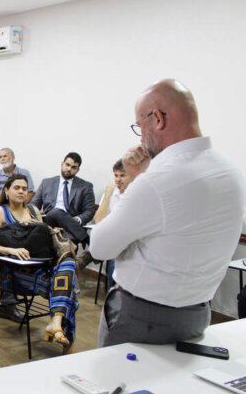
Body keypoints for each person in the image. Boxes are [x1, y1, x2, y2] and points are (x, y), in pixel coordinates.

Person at [90, 79, 245, 347]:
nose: (140, 137)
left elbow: (99, 247)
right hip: (197, 314)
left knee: (119, 374)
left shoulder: (157, 182)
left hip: (141, 318)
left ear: (158, 119)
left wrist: (136, 180)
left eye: (139, 126)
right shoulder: (231, 172)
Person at [0, 174, 80, 347]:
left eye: (24, 188)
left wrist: (41, 226)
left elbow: (42, 242)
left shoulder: (33, 211)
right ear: (7, 191)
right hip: (14, 272)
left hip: (40, 266)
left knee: (68, 266)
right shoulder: (0, 211)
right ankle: (65, 341)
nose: (21, 192)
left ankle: (56, 324)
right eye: (16, 188)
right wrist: (12, 250)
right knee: (68, 287)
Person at [30, 152, 95, 245]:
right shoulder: (46, 183)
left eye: (73, 167)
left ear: (77, 170)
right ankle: (87, 239)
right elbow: (33, 205)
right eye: (67, 165)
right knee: (56, 212)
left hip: (70, 226)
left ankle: (81, 239)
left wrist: (76, 219)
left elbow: (90, 211)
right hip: (49, 223)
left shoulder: (85, 186)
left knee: (67, 242)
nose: (69, 169)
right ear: (62, 164)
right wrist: (34, 219)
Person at [92, 159, 134, 290]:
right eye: (116, 175)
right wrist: (108, 195)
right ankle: (112, 293)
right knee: (112, 254)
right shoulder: (111, 192)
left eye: (122, 176)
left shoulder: (135, 194)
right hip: (113, 241)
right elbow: (98, 220)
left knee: (116, 256)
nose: (118, 180)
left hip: (130, 242)